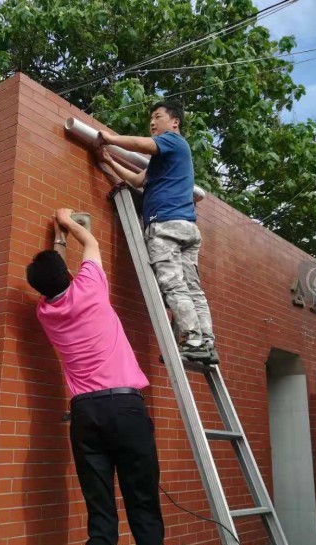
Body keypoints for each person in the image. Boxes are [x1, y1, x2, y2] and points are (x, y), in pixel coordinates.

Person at [26, 208, 167, 545]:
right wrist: (68, 221)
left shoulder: (45, 313)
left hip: (86, 414)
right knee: (144, 508)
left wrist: (58, 238)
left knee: (100, 514)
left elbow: (56, 279)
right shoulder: (91, 287)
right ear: (70, 273)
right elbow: (90, 241)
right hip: (125, 408)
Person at [97, 100, 218, 364]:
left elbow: (142, 144)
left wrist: (111, 139)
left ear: (175, 122)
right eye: (151, 118)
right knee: (192, 288)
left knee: (173, 284)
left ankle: (194, 340)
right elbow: (139, 181)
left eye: (158, 117)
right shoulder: (165, 159)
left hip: (165, 224)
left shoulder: (173, 141)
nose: (152, 122)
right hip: (186, 227)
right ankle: (207, 342)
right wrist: (109, 162)